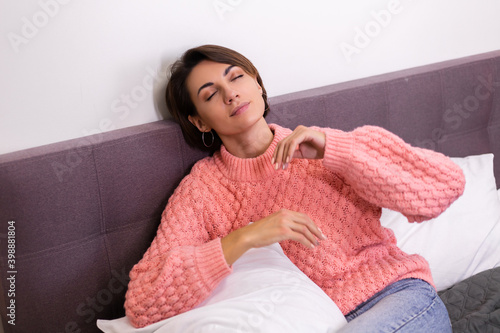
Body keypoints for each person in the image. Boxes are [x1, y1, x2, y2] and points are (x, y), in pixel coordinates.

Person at [124, 44, 465, 332]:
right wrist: (244, 237)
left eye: (237, 77)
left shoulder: (321, 145)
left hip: (395, 296)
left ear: (258, 84)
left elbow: (444, 187)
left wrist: (338, 151)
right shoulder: (202, 191)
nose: (231, 94)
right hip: (312, 321)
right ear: (199, 121)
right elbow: (143, 303)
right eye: (211, 94)